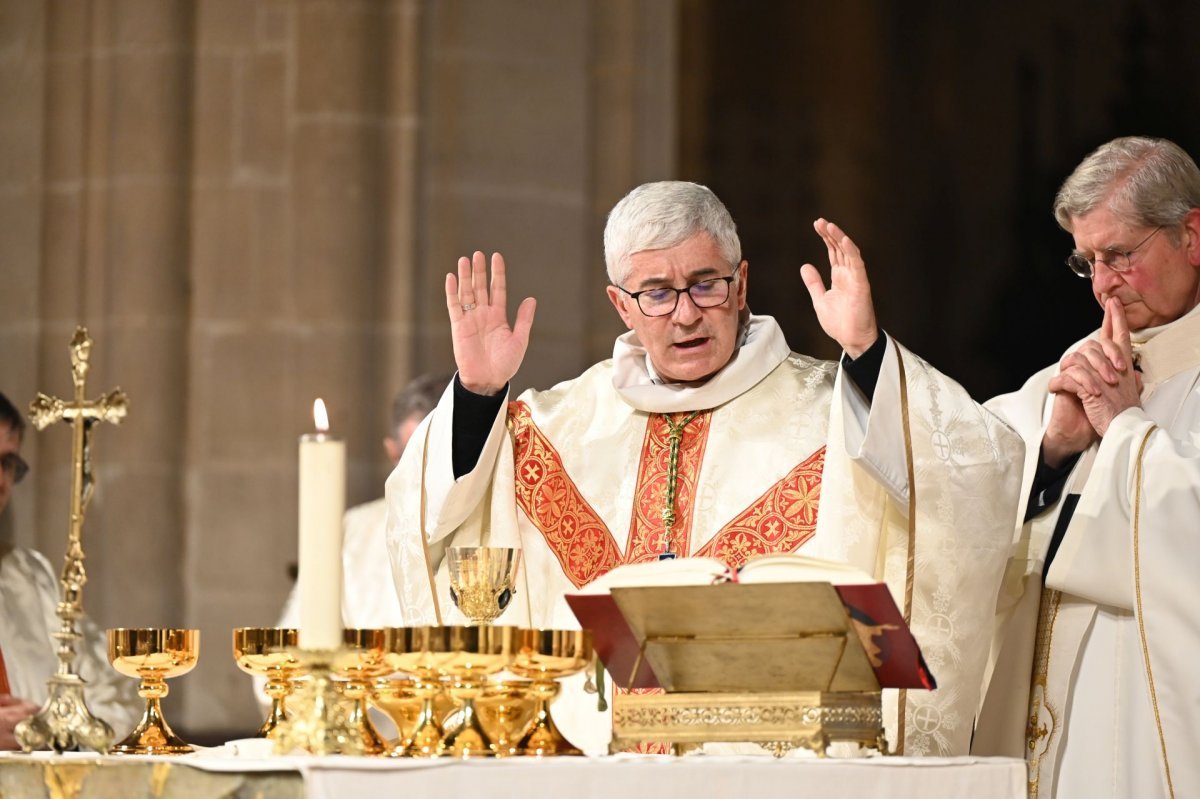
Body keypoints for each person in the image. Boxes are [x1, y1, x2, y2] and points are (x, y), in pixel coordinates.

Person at [386, 180, 1023, 755]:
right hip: (592, 764)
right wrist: (475, 396)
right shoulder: (560, 426)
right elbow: (430, 520)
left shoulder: (839, 408)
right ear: (621, 306)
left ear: (741, 284)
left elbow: (973, 470)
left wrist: (866, 352)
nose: (686, 313)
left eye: (705, 284)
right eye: (656, 294)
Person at [802, 136, 1200, 797]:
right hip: (1053, 732)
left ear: (1191, 234)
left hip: (1153, 729)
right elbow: (957, 469)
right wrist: (1051, 450)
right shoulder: (1077, 370)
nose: (1102, 284)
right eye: (1087, 261)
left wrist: (1126, 430)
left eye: (1120, 255)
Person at [0, 392, 139, 749]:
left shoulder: (31, 577)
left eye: (7, 463)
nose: (0, 480)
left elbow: (120, 702)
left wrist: (53, 726)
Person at [276, 373, 449, 629]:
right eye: (417, 459)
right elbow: (299, 641)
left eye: (445, 457)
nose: (434, 477)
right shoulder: (355, 530)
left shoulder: (510, 522)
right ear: (392, 453)